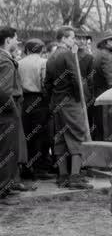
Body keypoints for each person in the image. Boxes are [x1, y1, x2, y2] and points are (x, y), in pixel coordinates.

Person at [44, 27, 92, 189]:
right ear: (63, 39)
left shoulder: (51, 57)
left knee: (60, 138)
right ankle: (75, 177)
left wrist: (52, 102)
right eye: (72, 38)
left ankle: (63, 176)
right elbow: (76, 78)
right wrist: (82, 98)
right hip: (71, 101)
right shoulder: (69, 54)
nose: (75, 41)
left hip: (57, 102)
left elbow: (47, 83)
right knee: (78, 136)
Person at [0, 27, 33, 192]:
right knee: (7, 150)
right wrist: (12, 110)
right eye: (15, 39)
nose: (17, 42)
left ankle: (10, 182)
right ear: (7, 41)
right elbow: (4, 91)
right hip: (7, 112)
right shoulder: (5, 61)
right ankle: (4, 190)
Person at [17, 39, 53, 179]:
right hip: (39, 100)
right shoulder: (43, 62)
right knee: (40, 135)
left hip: (24, 100)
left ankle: (26, 166)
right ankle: (38, 168)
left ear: (27, 49)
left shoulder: (19, 62)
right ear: (41, 49)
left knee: (27, 134)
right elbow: (45, 83)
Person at [90, 31, 112, 140]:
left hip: (102, 97)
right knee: (111, 131)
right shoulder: (106, 56)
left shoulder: (103, 53)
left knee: (104, 131)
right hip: (108, 99)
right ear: (108, 41)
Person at [0, 87, 20, 205]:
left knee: (7, 153)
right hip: (5, 118)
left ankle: (5, 188)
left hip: (6, 117)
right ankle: (2, 190)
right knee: (6, 154)